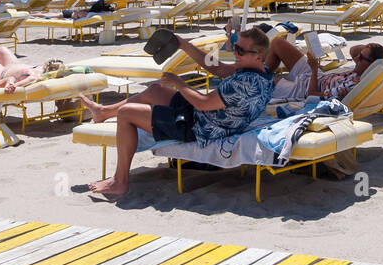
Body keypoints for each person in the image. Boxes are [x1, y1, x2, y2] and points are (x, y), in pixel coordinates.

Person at [78, 28, 275, 197]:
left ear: (257, 55)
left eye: (240, 50)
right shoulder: (261, 71)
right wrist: (184, 45)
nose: (235, 52)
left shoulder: (245, 84)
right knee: (154, 91)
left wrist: (179, 83)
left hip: (199, 127)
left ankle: (119, 181)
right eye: (234, 45)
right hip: (205, 116)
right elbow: (220, 69)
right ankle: (103, 112)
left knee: (127, 113)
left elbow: (204, 104)